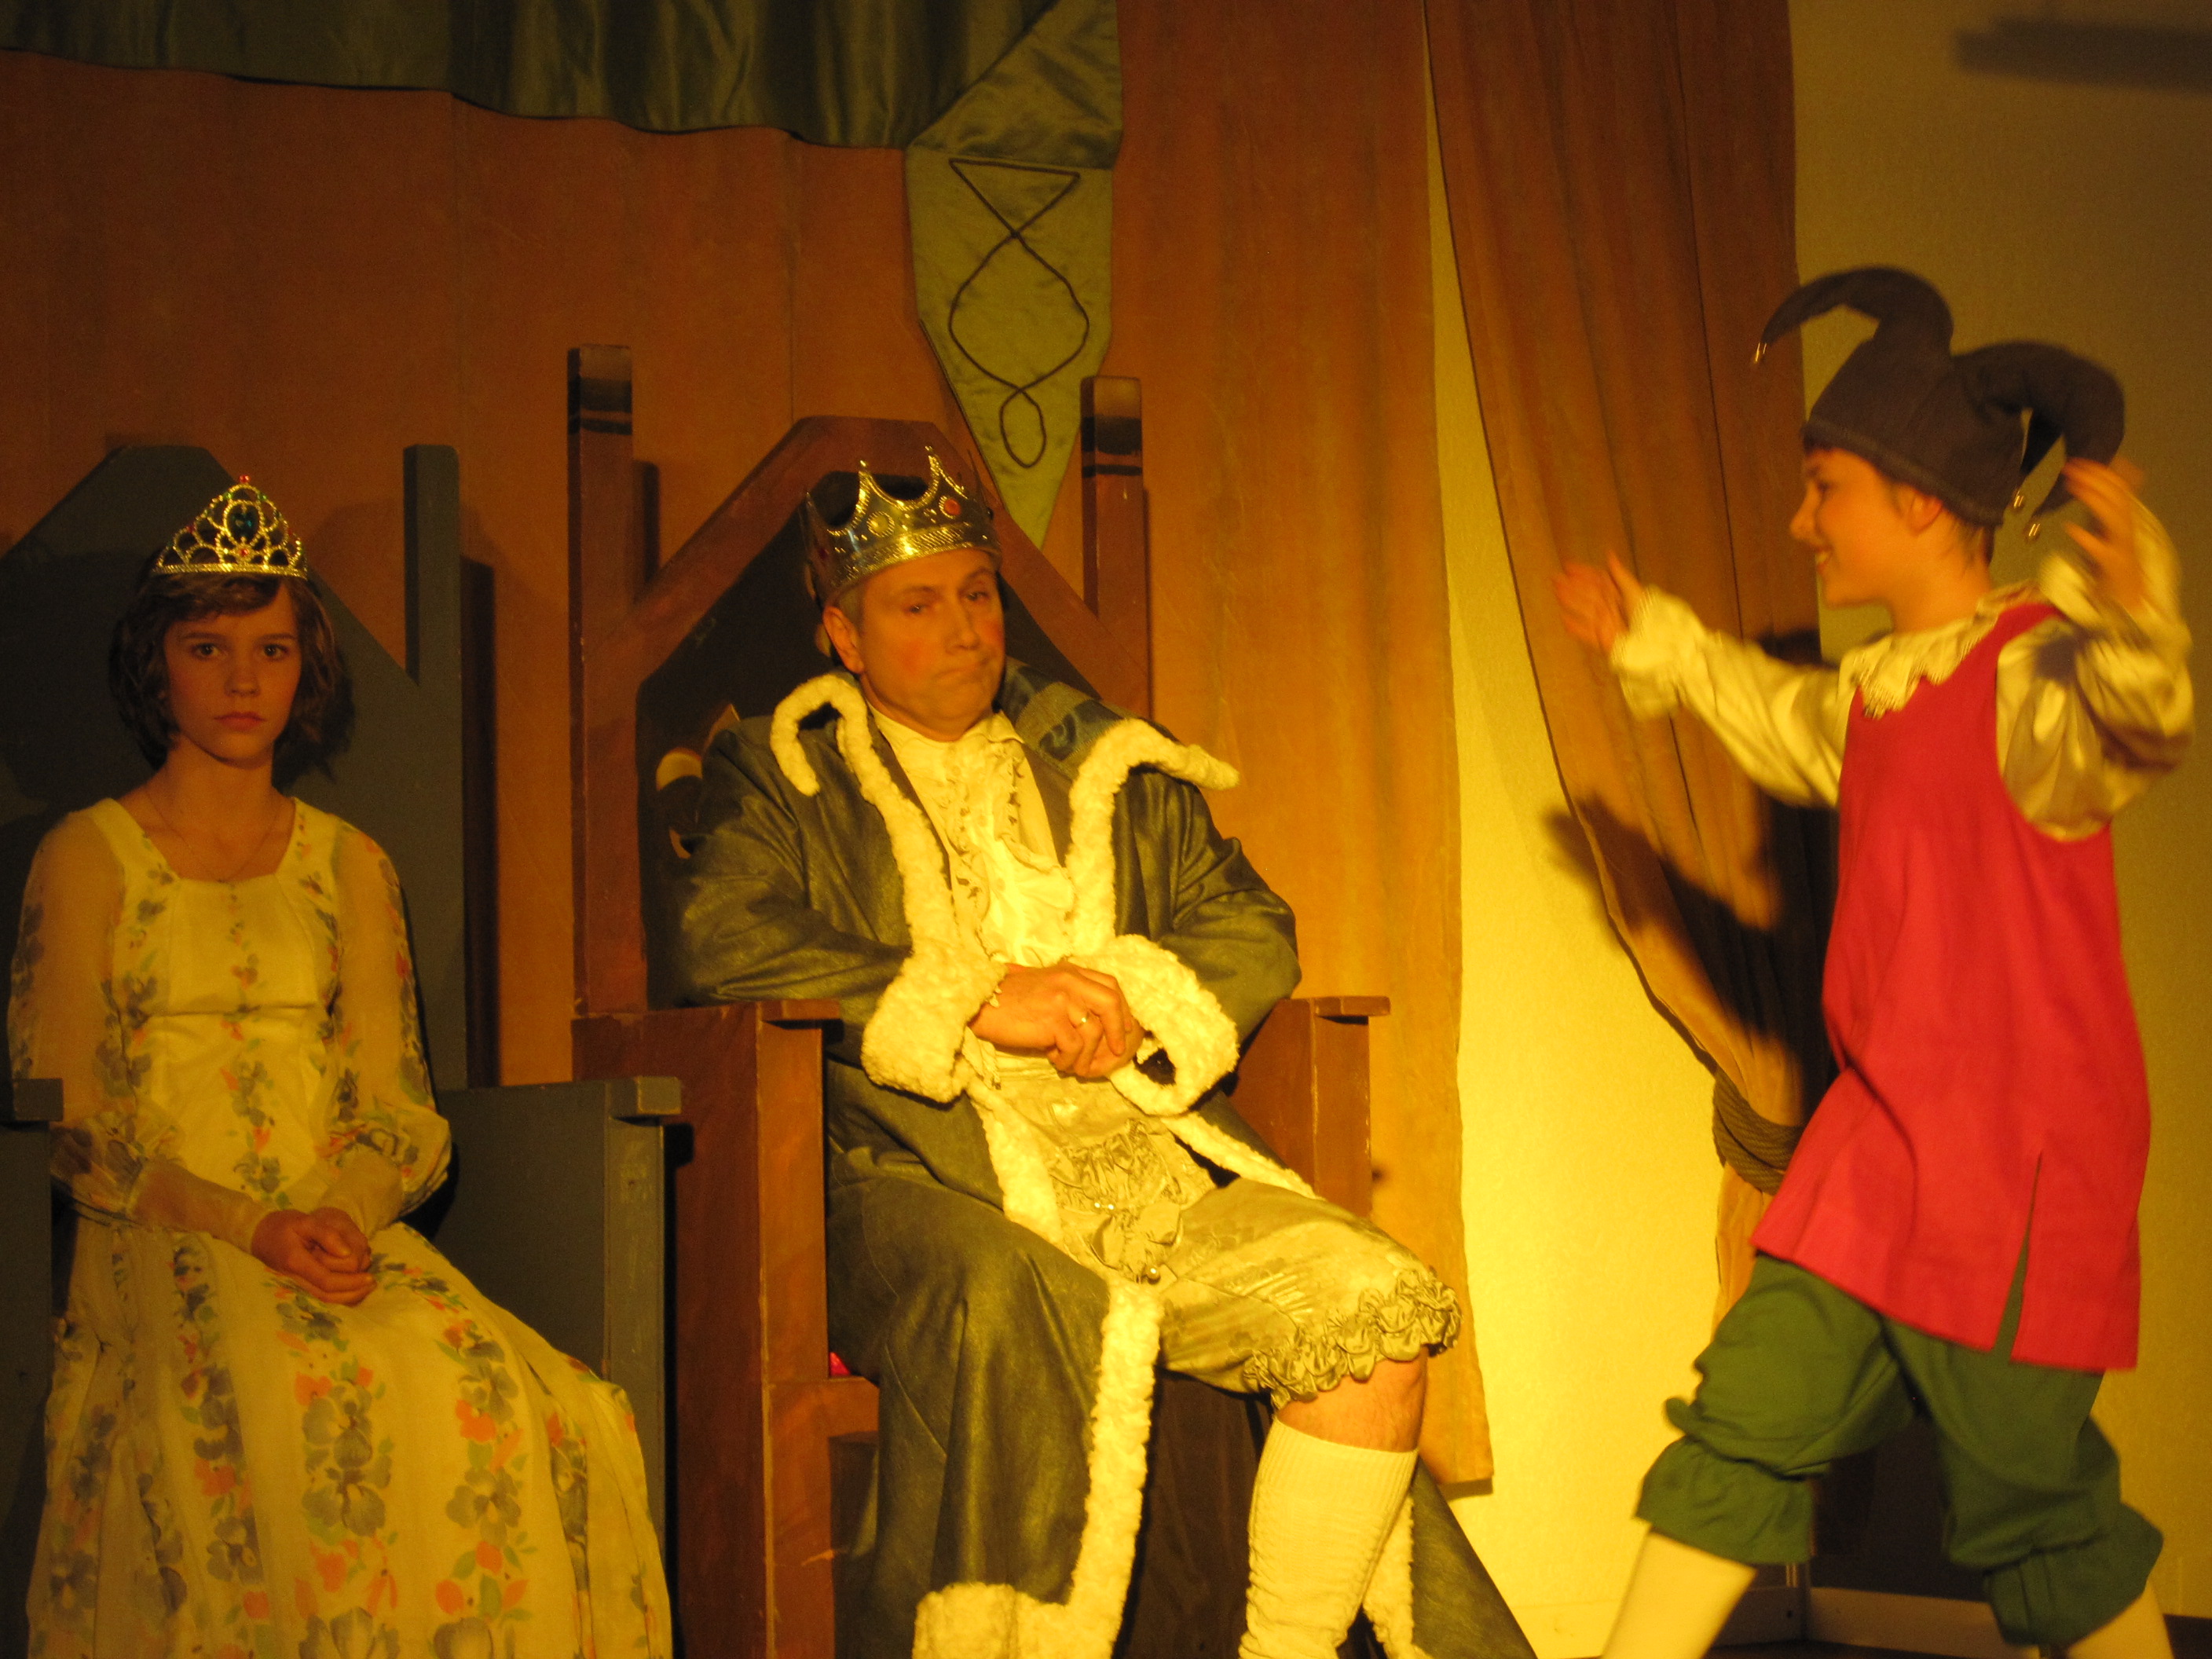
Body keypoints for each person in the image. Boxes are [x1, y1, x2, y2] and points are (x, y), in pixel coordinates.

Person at [670, 452, 1529, 1659]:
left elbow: (1249, 924)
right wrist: (981, 998)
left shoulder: (1100, 762)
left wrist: (1130, 993)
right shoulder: (787, 769)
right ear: (845, 637)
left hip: (1148, 1167)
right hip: (925, 1169)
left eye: (979, 596)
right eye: (918, 605)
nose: (965, 630)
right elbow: (723, 939)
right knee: (1025, 1299)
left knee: (1376, 1310)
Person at [1554, 268, 2192, 1659]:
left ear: (1917, 502)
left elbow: (2132, 719)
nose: (1804, 521)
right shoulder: (1875, 696)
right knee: (1745, 1418)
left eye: (1824, 488)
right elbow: (1777, 713)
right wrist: (1656, 639)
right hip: (1875, 1151)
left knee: (2034, 1502)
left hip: (2012, 1166)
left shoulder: (2033, 678)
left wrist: (2135, 619)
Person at [8, 481, 672, 1659]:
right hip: (168, 1225)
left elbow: (395, 1108)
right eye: (208, 648)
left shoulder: (348, 864)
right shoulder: (89, 856)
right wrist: (249, 1227)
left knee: (502, 1395)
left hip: (332, 1222)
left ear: (304, 668)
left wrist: (338, 1216)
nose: (242, 680)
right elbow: (71, 1122)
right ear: (157, 664)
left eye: (270, 650)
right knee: (273, 1402)